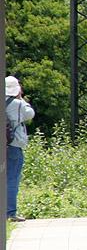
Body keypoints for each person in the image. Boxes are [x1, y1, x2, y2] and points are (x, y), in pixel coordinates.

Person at [6, 76, 34, 222]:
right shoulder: (17, 104)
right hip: (13, 145)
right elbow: (30, 114)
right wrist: (21, 98)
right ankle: (10, 213)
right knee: (12, 179)